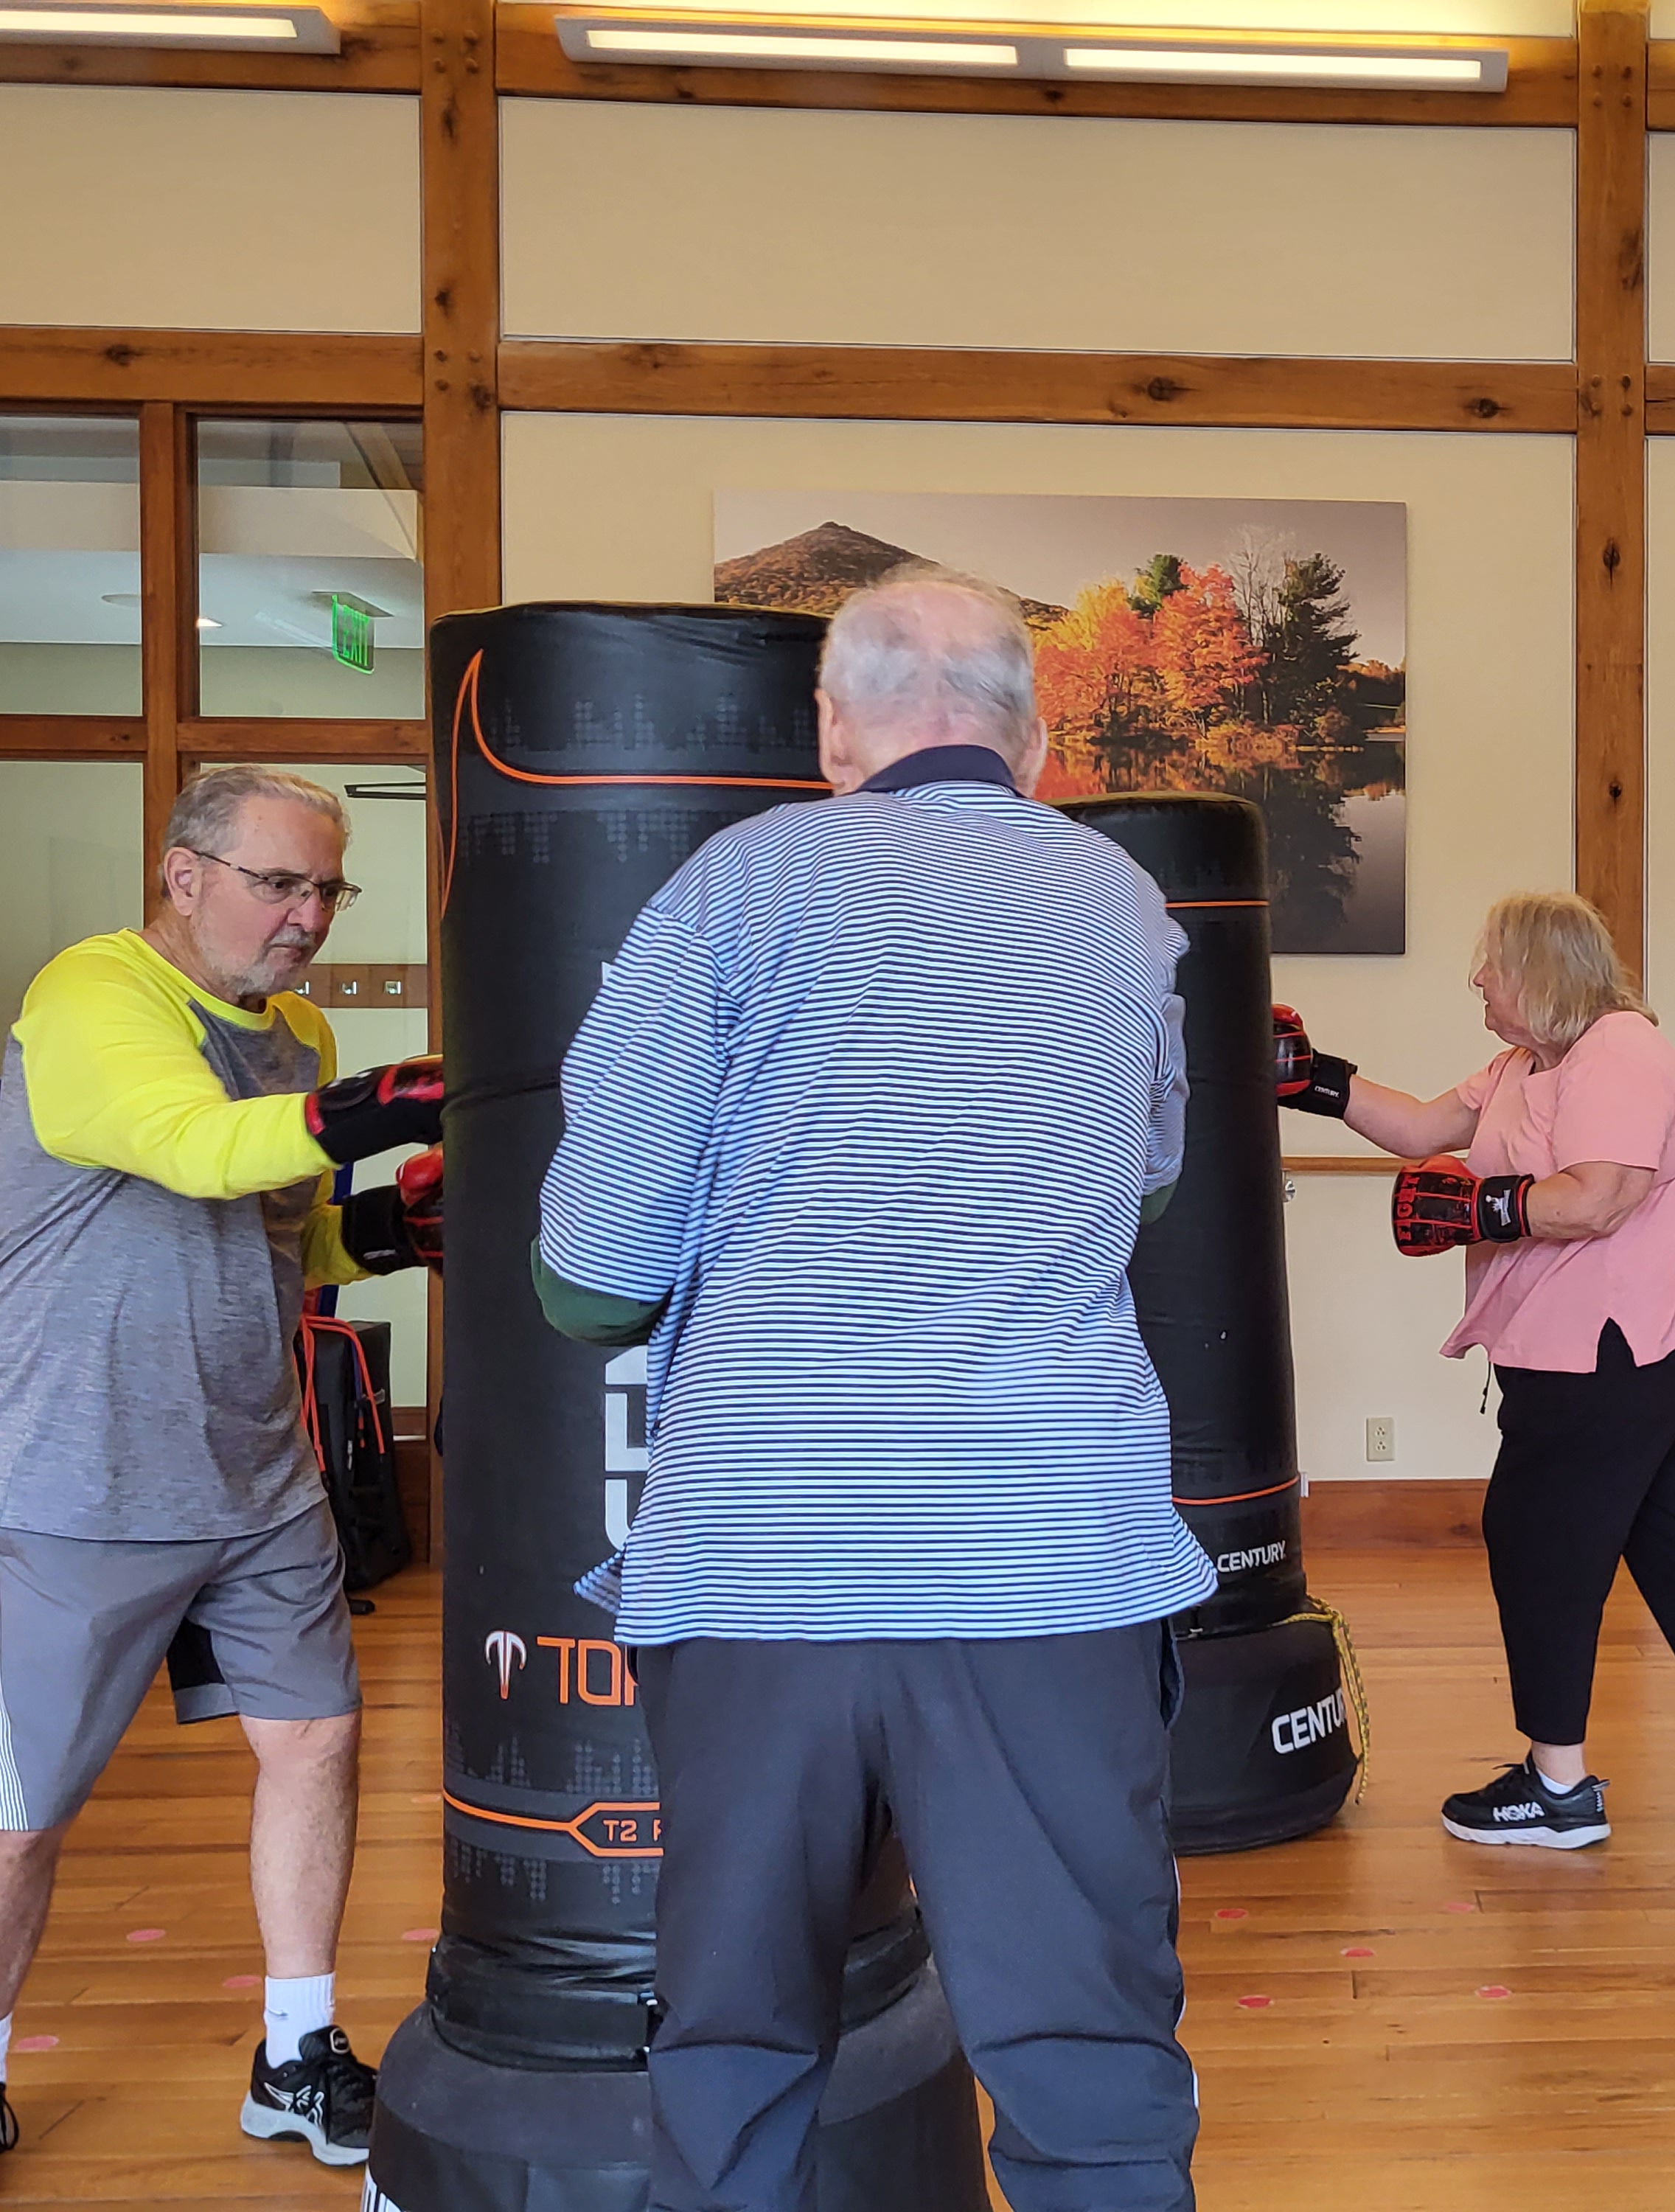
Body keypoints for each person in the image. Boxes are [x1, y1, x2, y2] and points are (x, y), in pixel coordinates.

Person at [534, 573, 1213, 2212]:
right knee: (1089, 2057)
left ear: (830, 730)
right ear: (1034, 742)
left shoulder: (734, 888)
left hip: (765, 1564)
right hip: (1049, 1558)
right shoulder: (1125, 905)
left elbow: (587, 1279)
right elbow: (1141, 1202)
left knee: (738, 2044)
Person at [0, 765, 444, 2168]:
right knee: (19, 1820)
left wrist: (386, 1230)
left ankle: (297, 2052)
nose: (307, 917)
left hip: (257, 1476)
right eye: (279, 883)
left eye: (328, 888)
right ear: (185, 876)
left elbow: (270, 1234)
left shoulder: (295, 1032)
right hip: (75, 1480)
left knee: (313, 1744)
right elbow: (192, 1150)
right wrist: (386, 1103)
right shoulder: (95, 993)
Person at [1275, 891, 1675, 1849]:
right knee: (1673, 1529)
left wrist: (1483, 1212)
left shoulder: (1622, 1055)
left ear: (1545, 971)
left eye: (1493, 964)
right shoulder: (1530, 1063)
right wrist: (1315, 1080)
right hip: (1644, 1339)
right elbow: (1421, 1128)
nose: (1477, 978)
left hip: (1615, 1349)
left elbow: (1600, 1198)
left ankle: (1558, 1786)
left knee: (1539, 1539)